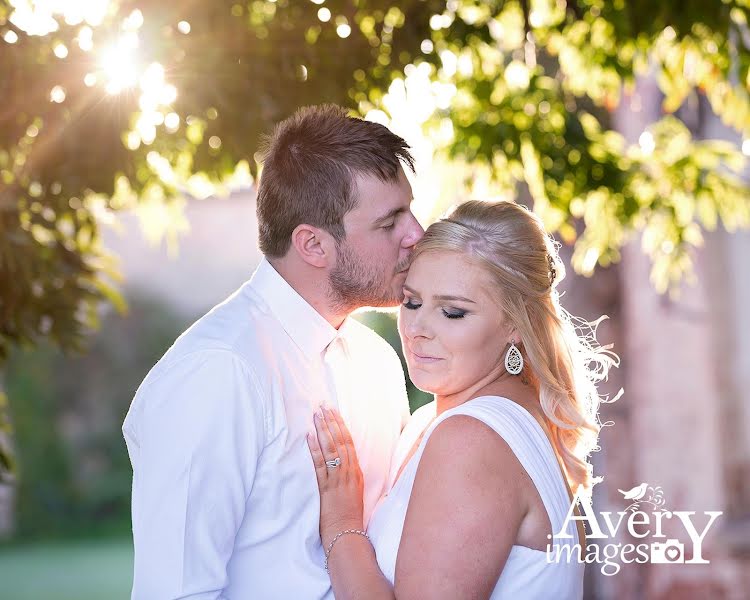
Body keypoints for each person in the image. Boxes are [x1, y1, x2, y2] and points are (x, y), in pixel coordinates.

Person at [122, 104, 424, 599]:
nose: (416, 233)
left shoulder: (378, 361)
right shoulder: (217, 372)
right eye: (390, 222)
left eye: (410, 210)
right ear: (313, 245)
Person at [308, 200, 617, 599]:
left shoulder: (471, 439)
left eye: (452, 312)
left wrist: (341, 524)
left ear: (514, 324)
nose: (418, 328)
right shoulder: (451, 420)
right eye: (412, 302)